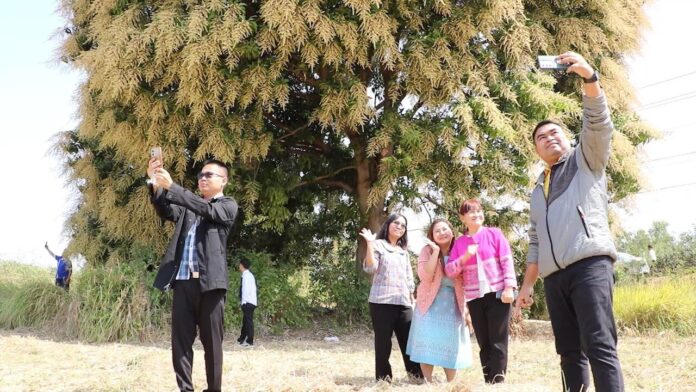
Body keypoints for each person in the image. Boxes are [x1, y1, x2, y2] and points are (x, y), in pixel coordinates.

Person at [515, 51, 625, 392]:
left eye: (554, 132)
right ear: (536, 149)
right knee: (567, 353)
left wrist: (589, 78)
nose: (549, 138)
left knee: (599, 345)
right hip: (554, 279)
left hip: (589, 264)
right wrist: (527, 286)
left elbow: (598, 124)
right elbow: (535, 241)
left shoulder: (586, 159)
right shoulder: (537, 188)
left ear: (567, 137)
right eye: (541, 137)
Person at [148, 156, 238, 392]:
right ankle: (185, 389)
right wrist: (156, 183)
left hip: (210, 286)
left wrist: (174, 187)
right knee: (180, 344)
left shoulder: (227, 205)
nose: (203, 178)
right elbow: (165, 209)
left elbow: (207, 210)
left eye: (209, 175)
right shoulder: (190, 207)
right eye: (200, 175)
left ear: (224, 180)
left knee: (212, 345)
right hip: (183, 283)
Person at [444, 199, 517, 384]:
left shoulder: (494, 234)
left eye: (479, 211)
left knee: (498, 341)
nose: (477, 215)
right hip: (474, 297)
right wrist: (466, 256)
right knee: (484, 342)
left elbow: (507, 261)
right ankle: (488, 381)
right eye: (471, 212)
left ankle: (497, 382)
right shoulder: (460, 243)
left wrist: (509, 287)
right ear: (462, 218)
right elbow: (450, 270)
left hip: (497, 294)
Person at [406, 218, 472, 382]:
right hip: (428, 303)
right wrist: (435, 252)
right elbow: (425, 277)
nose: (442, 233)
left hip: (454, 303)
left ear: (451, 230)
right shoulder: (426, 251)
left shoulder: (461, 249)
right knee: (427, 342)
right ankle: (428, 382)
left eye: (445, 229)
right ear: (432, 236)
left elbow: (469, 276)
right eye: (437, 231)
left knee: (450, 343)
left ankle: (451, 383)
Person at [359, 213, 423, 382]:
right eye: (396, 223)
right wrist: (370, 244)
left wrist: (412, 299)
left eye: (403, 225)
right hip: (381, 302)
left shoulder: (404, 252)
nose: (399, 227)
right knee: (383, 343)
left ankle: (416, 376)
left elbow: (409, 277)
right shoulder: (378, 245)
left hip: (403, 303)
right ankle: (383, 379)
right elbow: (370, 268)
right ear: (388, 225)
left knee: (409, 342)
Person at [237, 258, 257, 347]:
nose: (239, 266)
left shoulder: (246, 276)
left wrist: (243, 302)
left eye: (239, 264)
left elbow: (245, 290)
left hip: (248, 302)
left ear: (242, 265)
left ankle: (250, 341)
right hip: (250, 301)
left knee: (248, 321)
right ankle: (242, 338)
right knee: (245, 321)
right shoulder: (248, 275)